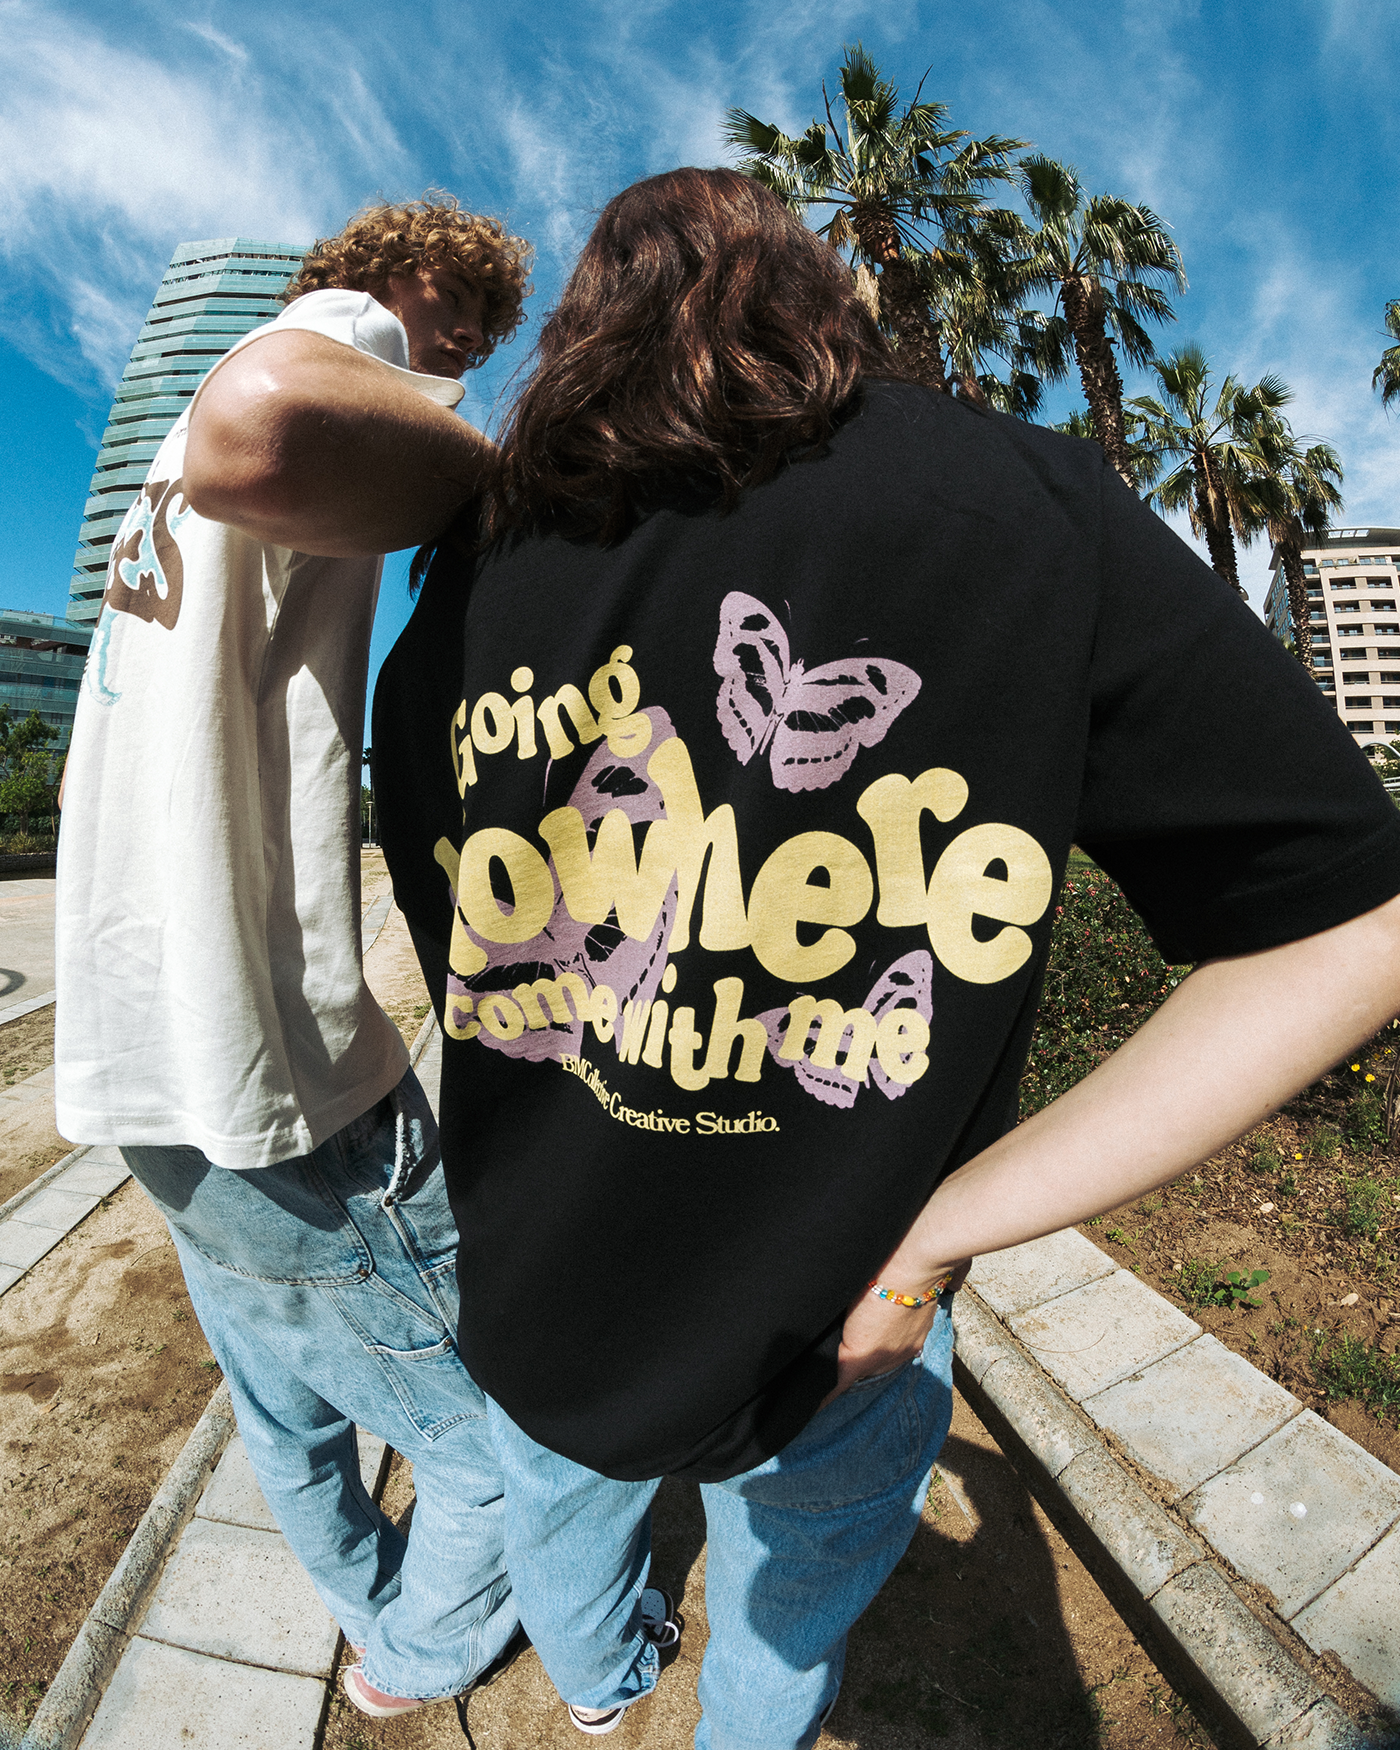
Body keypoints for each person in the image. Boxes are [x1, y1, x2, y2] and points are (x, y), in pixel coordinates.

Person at [372, 167, 1400, 1747]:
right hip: (842, 1315)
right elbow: (1355, 922)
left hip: (544, 1295)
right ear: (813, 291)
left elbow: (477, 961)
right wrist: (933, 1237)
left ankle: (593, 1685)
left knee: (562, 1511)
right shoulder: (1024, 504)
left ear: (586, 318)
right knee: (795, 1596)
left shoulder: (462, 581)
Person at [54, 196, 535, 1717]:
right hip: (269, 1052)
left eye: (479, 341)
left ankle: (369, 1609)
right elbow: (268, 413)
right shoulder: (337, 339)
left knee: (287, 1409)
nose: (461, 355)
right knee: (502, 1430)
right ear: (395, 276)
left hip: (149, 1045)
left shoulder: (165, 472)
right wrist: (513, 471)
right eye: (461, 317)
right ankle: (419, 1655)